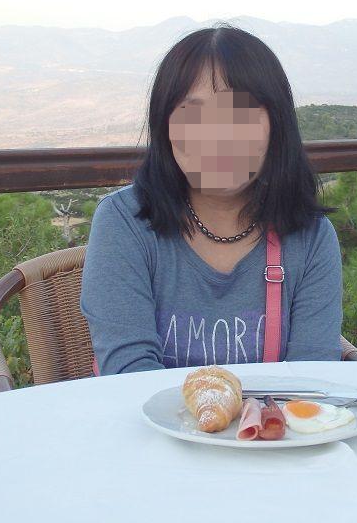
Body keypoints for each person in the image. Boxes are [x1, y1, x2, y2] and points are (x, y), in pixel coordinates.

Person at [80, 24, 343, 374]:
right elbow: (129, 375)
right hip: (147, 413)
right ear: (165, 126)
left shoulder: (311, 237)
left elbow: (313, 376)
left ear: (276, 126)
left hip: (277, 415)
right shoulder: (124, 221)